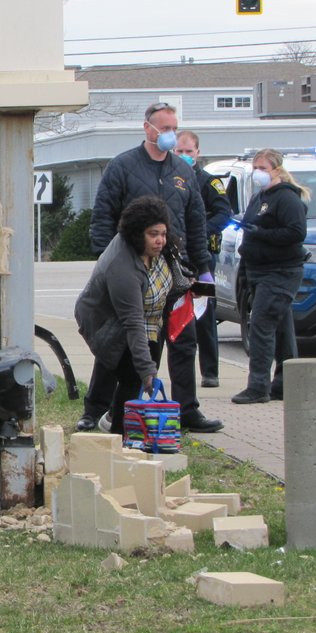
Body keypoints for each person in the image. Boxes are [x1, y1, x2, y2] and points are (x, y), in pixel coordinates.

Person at [87, 102, 223, 433]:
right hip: (133, 269)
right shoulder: (122, 167)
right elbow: (103, 215)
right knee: (119, 340)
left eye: (174, 128)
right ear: (147, 128)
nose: (169, 134)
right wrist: (108, 262)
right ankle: (95, 410)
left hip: (175, 270)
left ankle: (187, 409)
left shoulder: (183, 171)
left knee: (182, 339)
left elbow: (195, 220)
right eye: (164, 128)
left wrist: (201, 267)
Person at [75, 196, 192, 434]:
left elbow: (173, 272)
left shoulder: (161, 246)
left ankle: (115, 422)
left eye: (163, 233)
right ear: (137, 234)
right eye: (153, 234)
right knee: (131, 373)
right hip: (107, 320)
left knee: (137, 370)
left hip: (151, 317)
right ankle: (119, 434)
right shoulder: (122, 267)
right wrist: (148, 372)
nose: (160, 240)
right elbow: (133, 323)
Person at [231, 148, 309, 404]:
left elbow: (296, 233)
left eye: (263, 168)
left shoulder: (287, 198)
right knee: (282, 329)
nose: (258, 173)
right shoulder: (260, 197)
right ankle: (286, 384)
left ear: (277, 169)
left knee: (262, 326)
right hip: (257, 270)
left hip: (280, 271)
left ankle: (258, 387)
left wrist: (261, 233)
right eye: (256, 168)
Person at [175, 130, 233, 387]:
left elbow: (224, 213)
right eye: (180, 151)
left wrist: (201, 231)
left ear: (197, 152)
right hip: (175, 256)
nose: (185, 156)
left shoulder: (209, 183)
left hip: (202, 260)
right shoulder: (168, 179)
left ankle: (210, 372)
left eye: (189, 151)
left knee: (205, 313)